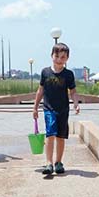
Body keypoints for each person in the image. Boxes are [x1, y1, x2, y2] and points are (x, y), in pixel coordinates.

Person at [33, 43, 80, 175]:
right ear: (51, 56)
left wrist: (76, 103)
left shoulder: (68, 74)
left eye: (63, 57)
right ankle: (49, 163)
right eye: (57, 56)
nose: (59, 59)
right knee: (50, 134)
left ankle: (58, 162)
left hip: (63, 110)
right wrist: (35, 107)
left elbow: (73, 91)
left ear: (67, 58)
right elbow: (40, 90)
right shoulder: (45, 72)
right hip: (49, 109)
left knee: (60, 136)